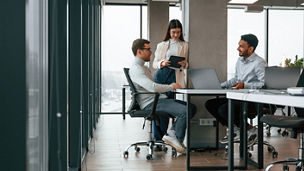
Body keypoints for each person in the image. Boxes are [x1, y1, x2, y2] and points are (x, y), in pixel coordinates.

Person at [129, 38, 196, 153]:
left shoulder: (143, 67)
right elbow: (153, 87)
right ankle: (175, 139)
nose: (151, 52)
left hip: (159, 100)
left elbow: (153, 87)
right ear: (139, 51)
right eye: (148, 49)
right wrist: (171, 86)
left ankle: (172, 134)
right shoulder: (136, 69)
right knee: (185, 110)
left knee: (192, 107)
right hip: (151, 104)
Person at [205, 34, 267, 147]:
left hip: (252, 100)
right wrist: (219, 86)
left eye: (241, 46)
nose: (238, 48)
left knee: (225, 109)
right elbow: (236, 79)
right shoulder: (240, 61)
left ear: (251, 48)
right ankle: (235, 130)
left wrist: (245, 85)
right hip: (238, 97)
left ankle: (251, 129)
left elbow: (263, 84)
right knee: (210, 104)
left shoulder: (259, 63)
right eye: (239, 45)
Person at [151, 19, 189, 141]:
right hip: (162, 74)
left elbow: (187, 64)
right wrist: (162, 62)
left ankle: (167, 137)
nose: (176, 35)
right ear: (169, 31)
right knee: (159, 107)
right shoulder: (161, 45)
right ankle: (157, 139)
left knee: (169, 108)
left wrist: (185, 64)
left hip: (175, 75)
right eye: (173, 32)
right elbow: (154, 64)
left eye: (178, 32)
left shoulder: (185, 45)